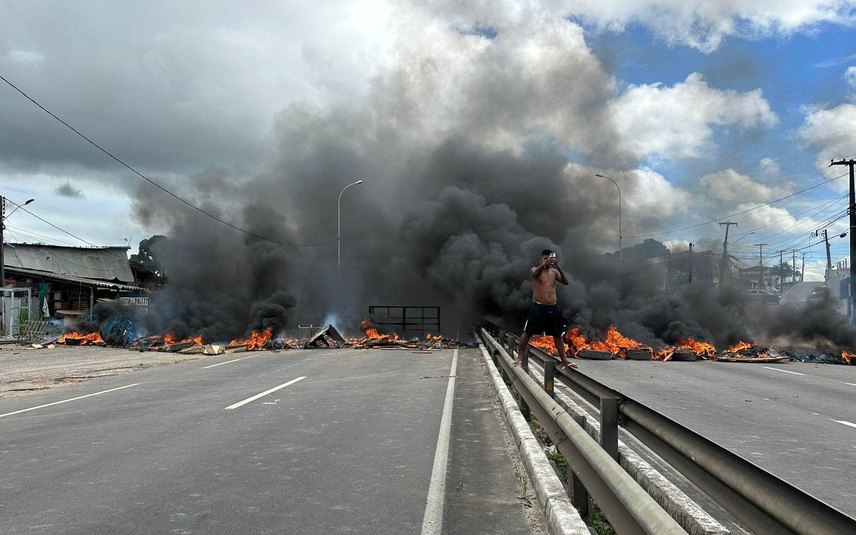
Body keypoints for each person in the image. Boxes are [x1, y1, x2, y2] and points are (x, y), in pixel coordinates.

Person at [514, 249, 575, 369]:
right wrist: (543, 265)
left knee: (557, 335)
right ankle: (519, 356)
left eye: (549, 258)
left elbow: (566, 282)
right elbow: (535, 274)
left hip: (552, 308)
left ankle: (564, 360)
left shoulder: (554, 272)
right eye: (545, 258)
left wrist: (558, 266)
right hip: (537, 307)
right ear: (541, 260)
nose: (547, 260)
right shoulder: (535, 270)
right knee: (528, 332)